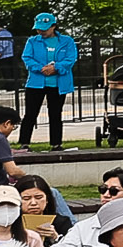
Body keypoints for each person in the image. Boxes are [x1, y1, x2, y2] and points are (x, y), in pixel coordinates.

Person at [16, 11, 76, 149]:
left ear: (53, 26)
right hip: (36, 83)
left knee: (55, 114)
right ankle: (24, 144)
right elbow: (27, 58)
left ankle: (56, 144)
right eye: (38, 29)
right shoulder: (32, 41)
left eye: (44, 29)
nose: (41, 31)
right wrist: (41, 68)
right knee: (30, 113)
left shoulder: (67, 41)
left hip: (58, 84)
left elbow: (70, 59)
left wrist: (56, 68)